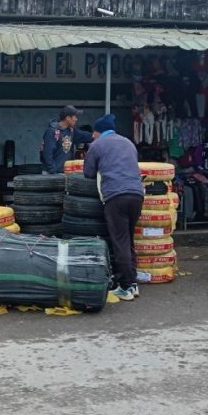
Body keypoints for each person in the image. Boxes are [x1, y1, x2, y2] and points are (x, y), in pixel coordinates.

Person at [83, 113, 144, 301]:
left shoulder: (97, 145)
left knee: (120, 241)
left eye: (93, 133)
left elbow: (88, 173)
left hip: (116, 196)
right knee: (128, 239)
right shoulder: (128, 143)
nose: (92, 136)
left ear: (98, 132)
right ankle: (132, 284)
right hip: (137, 194)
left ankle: (125, 287)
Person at [41, 105, 94, 174]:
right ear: (68, 118)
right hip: (51, 174)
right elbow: (47, 153)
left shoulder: (71, 131)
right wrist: (53, 171)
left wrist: (98, 136)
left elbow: (84, 136)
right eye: (75, 117)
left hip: (64, 173)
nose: (76, 119)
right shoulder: (52, 131)